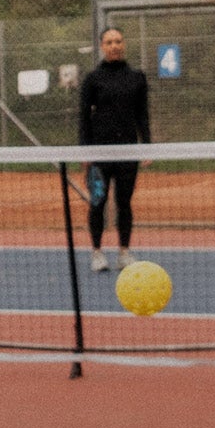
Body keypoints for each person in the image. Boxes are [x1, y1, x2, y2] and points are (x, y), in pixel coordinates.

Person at [78, 26, 149, 273]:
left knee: (124, 203)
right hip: (99, 154)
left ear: (124, 44)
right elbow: (84, 117)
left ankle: (124, 252)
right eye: (109, 42)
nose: (114, 46)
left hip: (127, 153)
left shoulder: (137, 77)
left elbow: (142, 114)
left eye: (118, 41)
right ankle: (97, 253)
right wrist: (85, 153)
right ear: (102, 47)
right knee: (97, 202)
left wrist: (146, 146)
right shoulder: (92, 79)